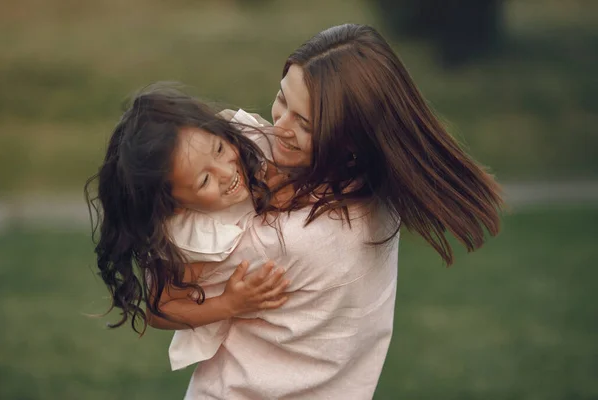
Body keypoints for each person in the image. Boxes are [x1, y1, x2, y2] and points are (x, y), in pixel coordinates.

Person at [148, 23, 503, 399]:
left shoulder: (289, 239)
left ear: (351, 136)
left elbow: (162, 295)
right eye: (282, 100)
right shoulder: (378, 195)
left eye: (304, 124)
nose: (278, 128)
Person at [85, 87, 292, 349]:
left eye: (218, 149)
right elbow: (160, 310)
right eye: (204, 180)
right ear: (176, 206)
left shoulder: (249, 142)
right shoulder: (199, 235)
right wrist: (229, 304)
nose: (226, 172)